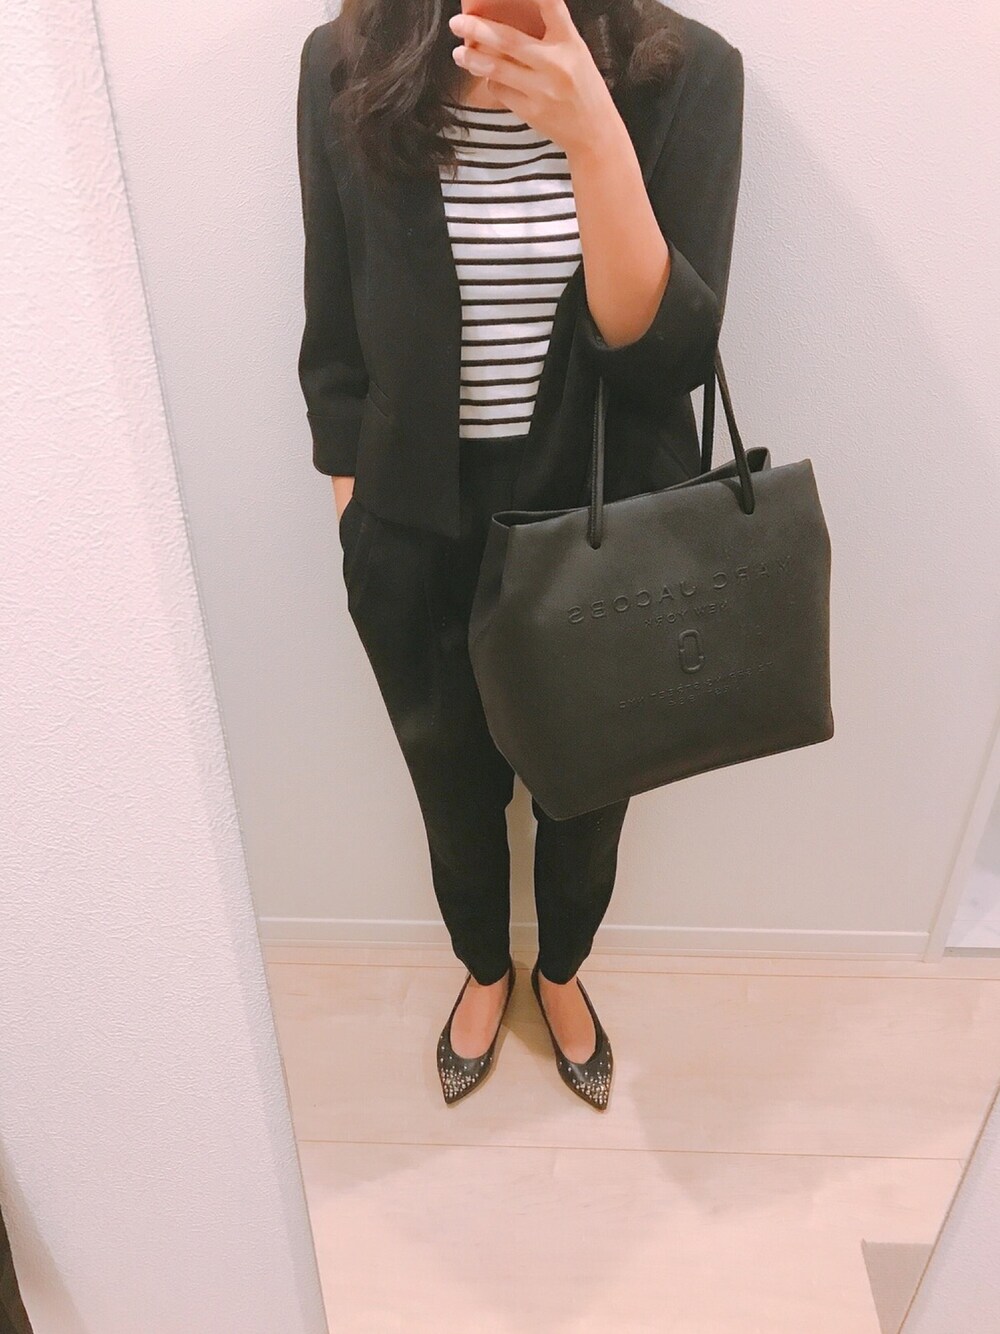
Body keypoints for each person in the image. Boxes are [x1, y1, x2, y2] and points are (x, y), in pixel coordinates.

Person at [295, 0, 744, 1110]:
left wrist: (592, 132)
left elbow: (668, 358)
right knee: (450, 783)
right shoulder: (346, 61)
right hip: (415, 522)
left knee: (587, 792)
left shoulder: (688, 73)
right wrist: (355, 511)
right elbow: (334, 328)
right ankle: (485, 966)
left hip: (600, 525)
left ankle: (562, 968)